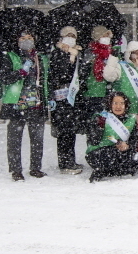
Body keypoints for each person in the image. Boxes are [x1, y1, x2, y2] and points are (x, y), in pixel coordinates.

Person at [0, 29, 51, 181]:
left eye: (30, 38)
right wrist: (20, 72)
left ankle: (35, 168)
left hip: (36, 103)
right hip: (16, 104)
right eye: (23, 38)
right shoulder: (10, 56)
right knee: (14, 139)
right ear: (17, 41)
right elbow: (4, 78)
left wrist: (48, 98)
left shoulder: (40, 58)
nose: (27, 40)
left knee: (37, 138)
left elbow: (45, 79)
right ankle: (16, 170)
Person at [49, 26, 84, 175]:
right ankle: (64, 163)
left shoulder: (78, 54)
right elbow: (58, 73)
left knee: (71, 130)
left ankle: (71, 160)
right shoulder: (56, 53)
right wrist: (68, 58)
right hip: (61, 96)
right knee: (64, 131)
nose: (71, 38)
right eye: (68, 35)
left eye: (73, 36)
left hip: (73, 96)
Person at [85, 92, 138, 183]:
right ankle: (101, 171)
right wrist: (100, 127)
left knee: (131, 155)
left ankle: (115, 170)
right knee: (109, 154)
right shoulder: (101, 118)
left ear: (126, 105)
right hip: (100, 152)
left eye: (121, 103)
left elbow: (135, 139)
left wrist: (127, 145)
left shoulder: (131, 120)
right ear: (109, 104)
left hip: (120, 151)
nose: (118, 106)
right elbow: (93, 140)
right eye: (115, 103)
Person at [77, 25, 116, 132]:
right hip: (92, 93)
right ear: (97, 37)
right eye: (104, 35)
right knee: (93, 127)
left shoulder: (112, 52)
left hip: (108, 93)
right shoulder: (90, 52)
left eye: (108, 35)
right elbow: (83, 72)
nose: (106, 37)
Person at [104, 41, 138, 115]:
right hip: (123, 111)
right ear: (129, 54)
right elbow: (108, 76)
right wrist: (112, 58)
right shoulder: (120, 66)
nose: (137, 56)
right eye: (134, 53)